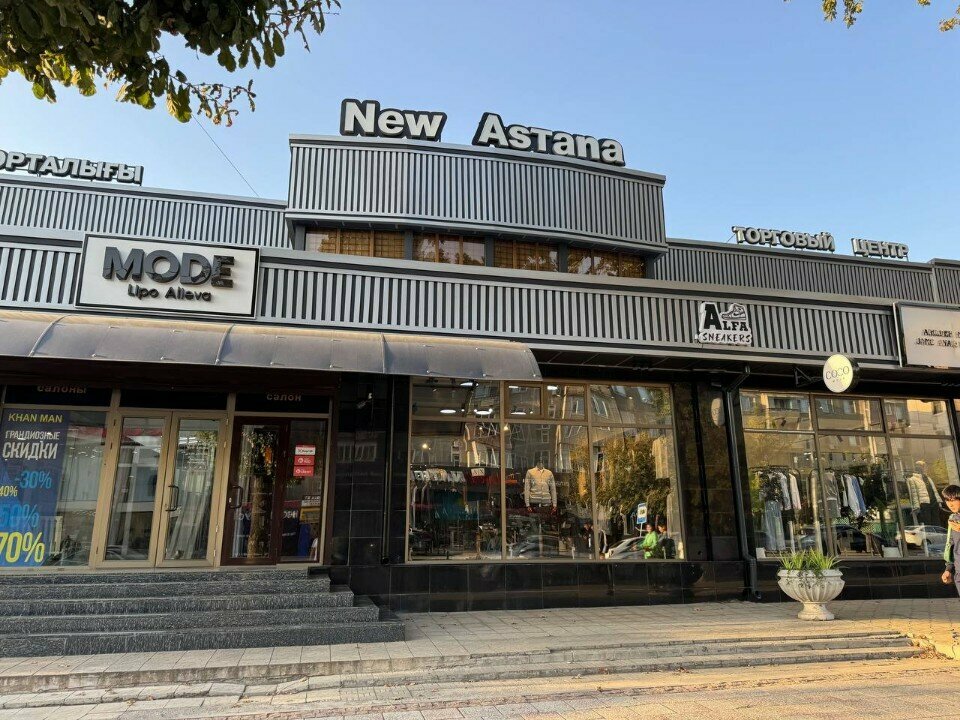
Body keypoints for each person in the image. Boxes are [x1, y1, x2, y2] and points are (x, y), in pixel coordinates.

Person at [940, 485, 960, 595]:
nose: (950, 504)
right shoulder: (953, 519)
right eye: (947, 500)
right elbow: (951, 545)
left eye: (953, 500)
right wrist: (948, 569)